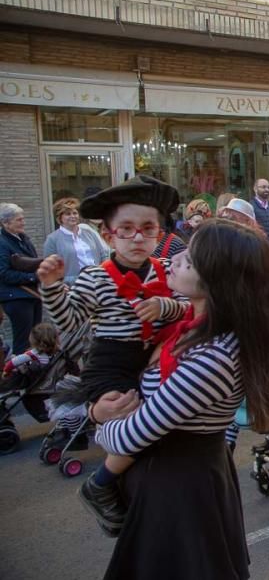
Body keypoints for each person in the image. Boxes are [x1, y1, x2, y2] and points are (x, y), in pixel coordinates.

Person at [90, 219, 269, 579]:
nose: (176, 259)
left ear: (219, 282)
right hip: (173, 480)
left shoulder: (215, 356)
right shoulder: (193, 323)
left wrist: (101, 420)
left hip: (179, 490)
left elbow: (130, 436)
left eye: (191, 260)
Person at [36, 175, 191, 536]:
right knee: (127, 415)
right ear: (108, 235)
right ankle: (102, 484)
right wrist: (52, 287)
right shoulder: (94, 277)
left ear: (159, 233)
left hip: (153, 357)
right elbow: (70, 320)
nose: (138, 237)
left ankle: (145, 493)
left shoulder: (167, 271)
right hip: (110, 360)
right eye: (127, 229)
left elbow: (187, 307)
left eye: (147, 228)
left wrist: (163, 305)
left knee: (161, 426)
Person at [0, 203, 43, 354]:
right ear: (5, 223)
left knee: (35, 340)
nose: (23, 222)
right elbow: (4, 274)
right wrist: (33, 277)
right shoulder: (2, 243)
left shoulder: (23, 238)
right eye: (19, 220)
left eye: (22, 218)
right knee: (23, 342)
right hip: (16, 298)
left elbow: (33, 262)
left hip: (31, 295)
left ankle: (35, 374)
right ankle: (19, 374)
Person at [42, 197, 109, 285]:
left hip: (98, 282)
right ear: (60, 217)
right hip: (72, 287)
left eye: (75, 213)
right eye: (68, 214)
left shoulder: (89, 232)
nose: (72, 216)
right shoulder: (52, 239)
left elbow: (103, 255)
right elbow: (50, 268)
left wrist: (104, 274)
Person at [0, 322, 58, 393]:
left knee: (13, 359)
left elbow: (12, 363)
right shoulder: (55, 353)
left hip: (27, 379)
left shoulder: (32, 354)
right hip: (45, 379)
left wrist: (6, 372)